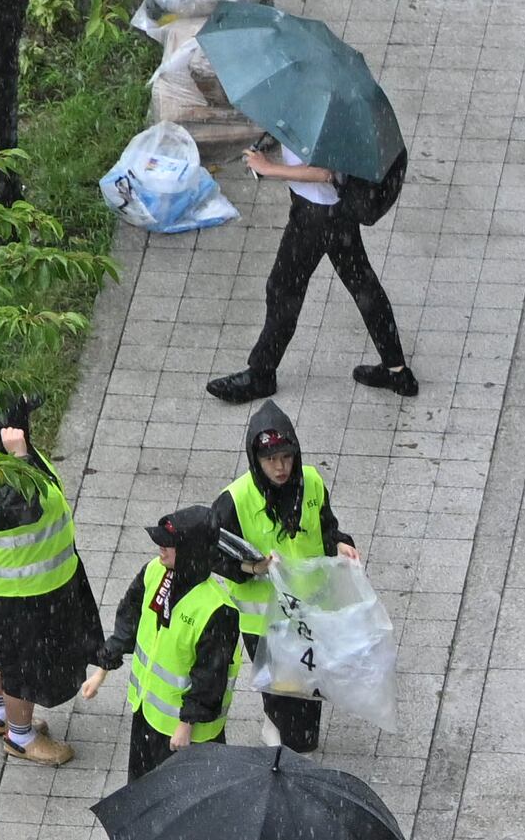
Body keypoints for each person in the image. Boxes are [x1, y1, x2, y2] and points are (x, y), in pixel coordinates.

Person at [208, 131, 416, 404]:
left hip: (317, 216)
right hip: (335, 211)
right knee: (362, 283)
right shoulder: (318, 101)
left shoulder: (322, 115)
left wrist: (269, 168)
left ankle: (261, 374)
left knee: (283, 290)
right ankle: (397, 371)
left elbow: (326, 172)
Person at [0, 401, 95, 768]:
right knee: (24, 664)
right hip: (24, 588)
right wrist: (20, 459)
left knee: (0, 647)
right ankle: (21, 737)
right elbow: (24, 508)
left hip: (3, 583)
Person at [219, 404, 357, 752]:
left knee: (311, 692)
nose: (280, 468)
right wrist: (253, 568)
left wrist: (340, 544)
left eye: (285, 457)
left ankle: (282, 725)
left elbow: (326, 527)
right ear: (256, 460)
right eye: (270, 460)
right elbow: (213, 556)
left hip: (309, 612)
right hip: (265, 623)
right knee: (289, 707)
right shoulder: (234, 501)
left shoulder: (310, 481)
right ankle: (281, 730)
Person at [92, 504, 256, 780]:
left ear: (191, 551)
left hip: (188, 733)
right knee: (143, 789)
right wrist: (105, 664)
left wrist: (186, 723)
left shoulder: (217, 609)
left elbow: (209, 675)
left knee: (189, 799)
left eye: (169, 544)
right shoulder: (155, 572)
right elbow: (130, 617)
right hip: (147, 713)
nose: (161, 549)